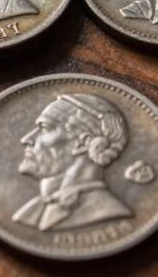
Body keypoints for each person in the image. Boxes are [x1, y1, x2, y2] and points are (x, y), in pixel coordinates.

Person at [12, 94, 133, 231]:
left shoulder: (109, 211)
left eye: (45, 128)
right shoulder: (33, 208)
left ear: (83, 143)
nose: (26, 139)